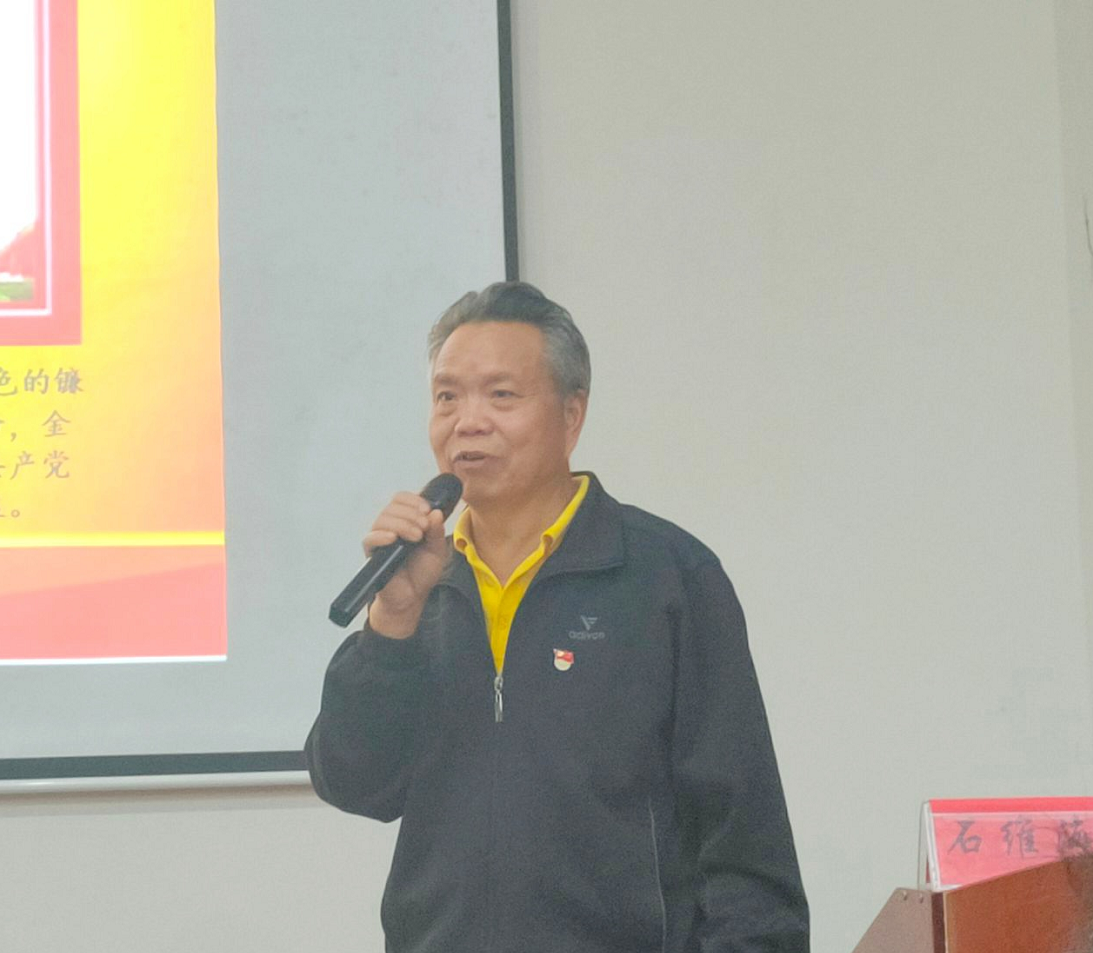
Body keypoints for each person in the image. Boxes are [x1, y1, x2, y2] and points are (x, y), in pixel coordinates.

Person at [306, 281, 809, 952]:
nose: (467, 421)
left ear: (572, 415)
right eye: (447, 397)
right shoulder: (419, 587)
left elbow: (744, 840)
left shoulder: (665, 577)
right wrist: (391, 622)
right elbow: (356, 783)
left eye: (501, 395)